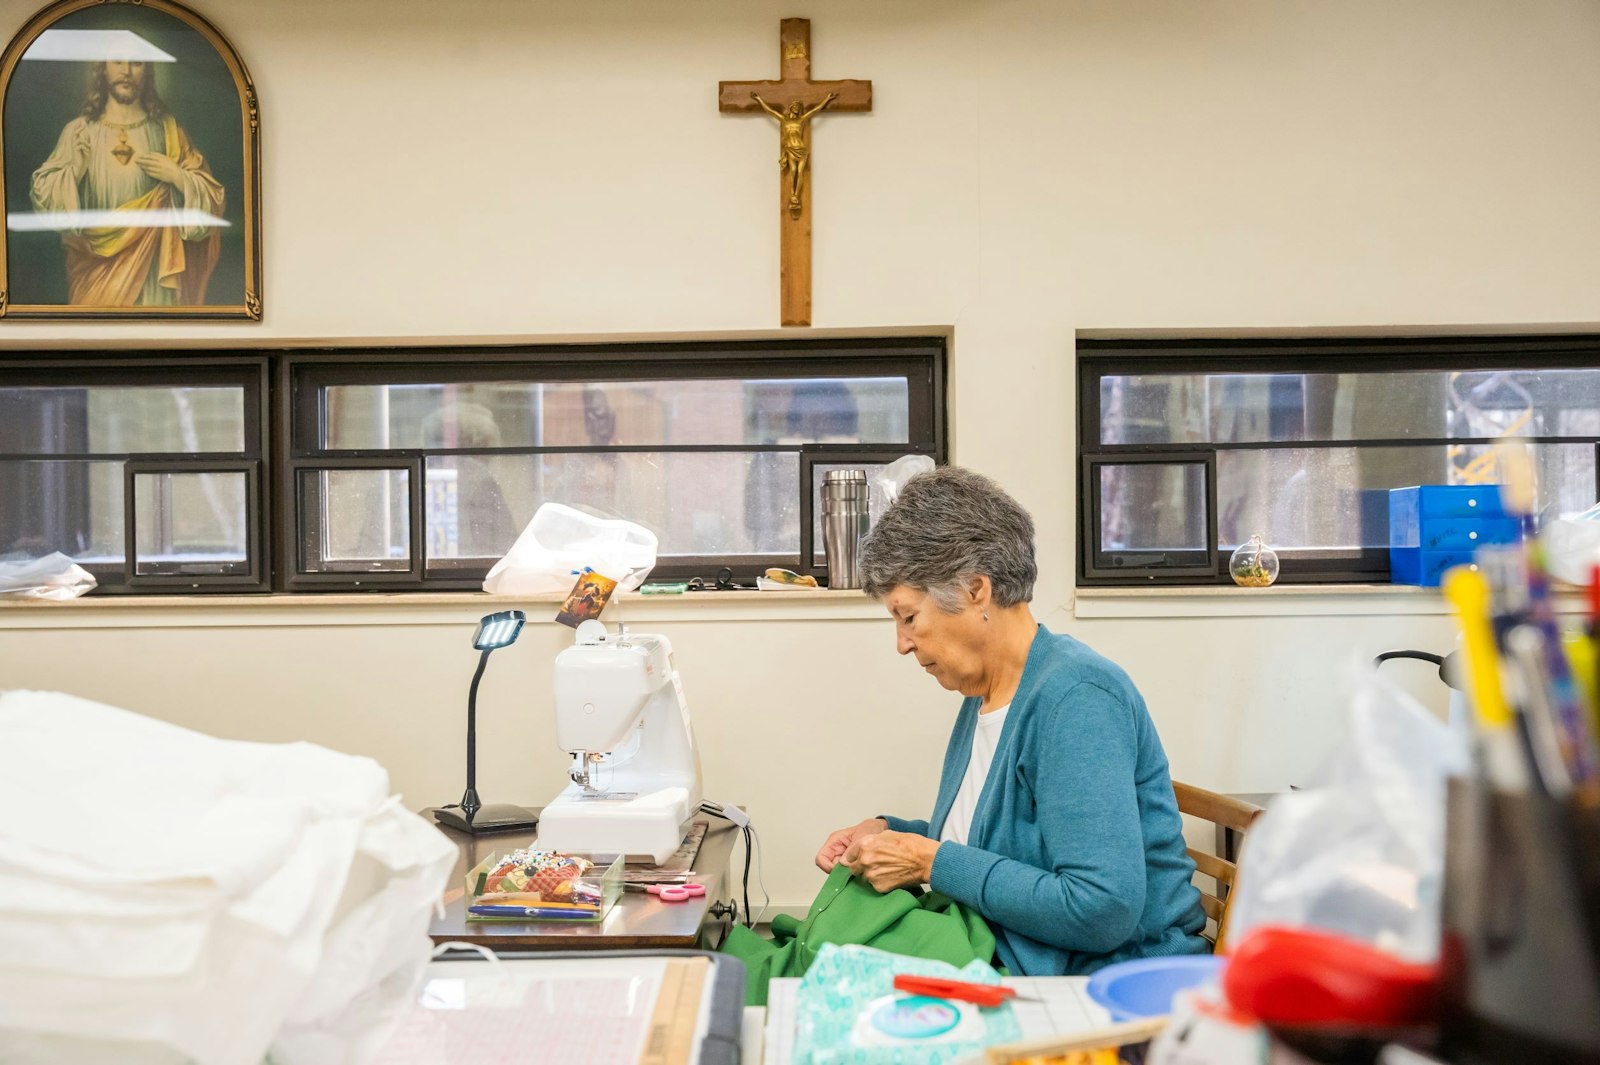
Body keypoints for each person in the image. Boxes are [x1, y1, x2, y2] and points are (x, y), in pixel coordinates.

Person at [815, 466, 1208, 975]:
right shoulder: (987, 694)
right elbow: (1001, 844)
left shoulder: (1077, 697)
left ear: (975, 589)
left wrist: (928, 860)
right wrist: (890, 833)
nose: (903, 643)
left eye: (908, 617)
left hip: (1108, 975)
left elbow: (1101, 909)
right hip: (1017, 954)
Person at [30, 56, 225, 306]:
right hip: (94, 274)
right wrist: (75, 172)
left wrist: (178, 177)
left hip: (154, 274)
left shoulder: (170, 133)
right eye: (117, 62)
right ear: (103, 69)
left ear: (147, 71)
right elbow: (44, 204)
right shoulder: (78, 132)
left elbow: (212, 202)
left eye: (136, 63)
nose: (126, 71)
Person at [751, 91, 835, 217]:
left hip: (801, 149)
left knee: (800, 172)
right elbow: (769, 110)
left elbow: (815, 110)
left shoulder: (801, 120)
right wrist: (759, 99)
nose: (796, 109)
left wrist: (827, 99)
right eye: (794, 107)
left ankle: (796, 195)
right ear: (791, 108)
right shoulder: (783, 120)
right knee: (793, 170)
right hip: (790, 149)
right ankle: (792, 194)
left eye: (798, 107)